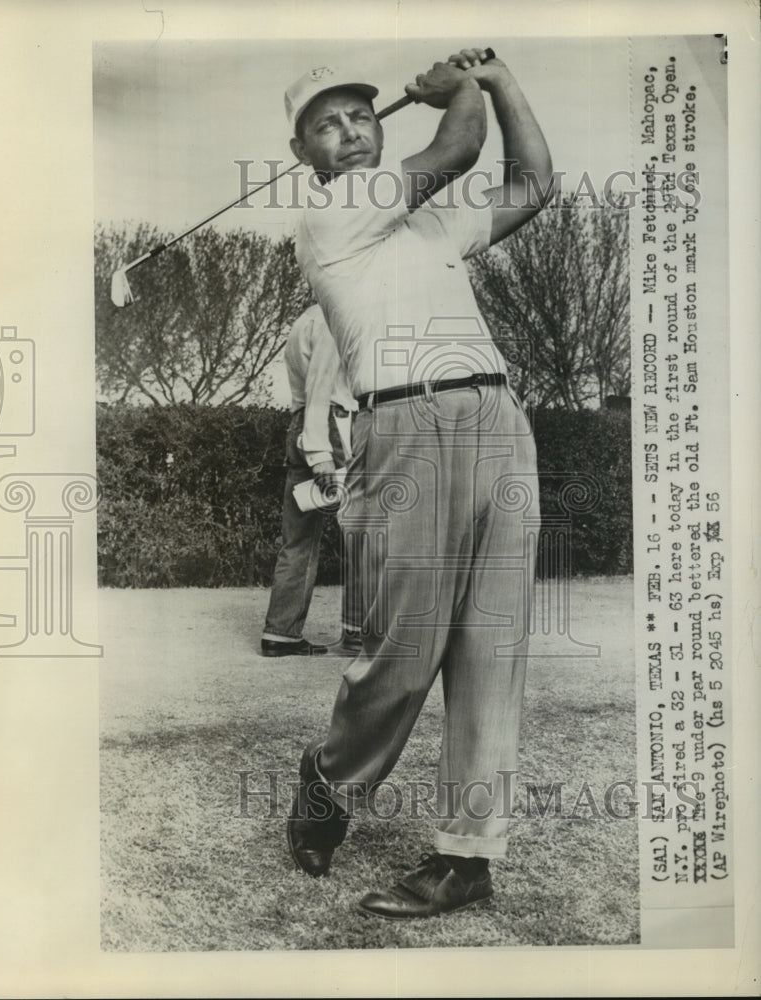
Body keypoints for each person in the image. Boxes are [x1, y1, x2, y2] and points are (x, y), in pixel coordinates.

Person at [282, 47, 553, 918]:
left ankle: (465, 859)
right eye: (327, 123)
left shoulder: (430, 228)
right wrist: (464, 89)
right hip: (402, 427)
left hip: (498, 419)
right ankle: (329, 780)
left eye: (361, 113)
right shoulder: (330, 216)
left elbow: (534, 183)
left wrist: (503, 80)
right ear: (305, 155)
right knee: (401, 656)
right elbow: (458, 148)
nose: (351, 129)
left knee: (492, 645)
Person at [261, 303, 362, 657]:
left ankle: (281, 633)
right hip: (329, 425)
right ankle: (357, 631)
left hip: (301, 423)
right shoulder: (334, 317)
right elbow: (322, 384)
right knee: (361, 532)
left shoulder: (304, 318)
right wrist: (322, 452)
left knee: (298, 539)